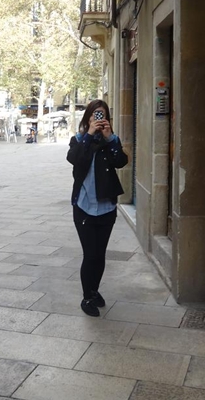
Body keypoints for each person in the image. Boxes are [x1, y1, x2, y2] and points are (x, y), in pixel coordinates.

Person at [66, 99, 128, 317]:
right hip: (84, 207)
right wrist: (89, 134)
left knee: (100, 255)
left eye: (102, 114)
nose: (99, 118)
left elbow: (121, 162)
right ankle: (87, 297)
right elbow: (74, 159)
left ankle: (94, 291)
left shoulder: (110, 140)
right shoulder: (79, 139)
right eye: (95, 114)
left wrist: (110, 138)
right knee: (90, 254)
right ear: (88, 117)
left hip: (106, 208)